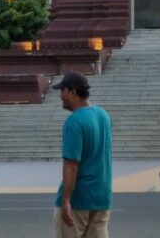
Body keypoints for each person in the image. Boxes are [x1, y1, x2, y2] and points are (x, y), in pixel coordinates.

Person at [52, 71, 112, 238]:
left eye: (62, 90)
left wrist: (65, 201)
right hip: (101, 196)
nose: (60, 95)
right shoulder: (103, 115)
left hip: (79, 199)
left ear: (73, 92)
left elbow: (71, 165)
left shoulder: (74, 122)